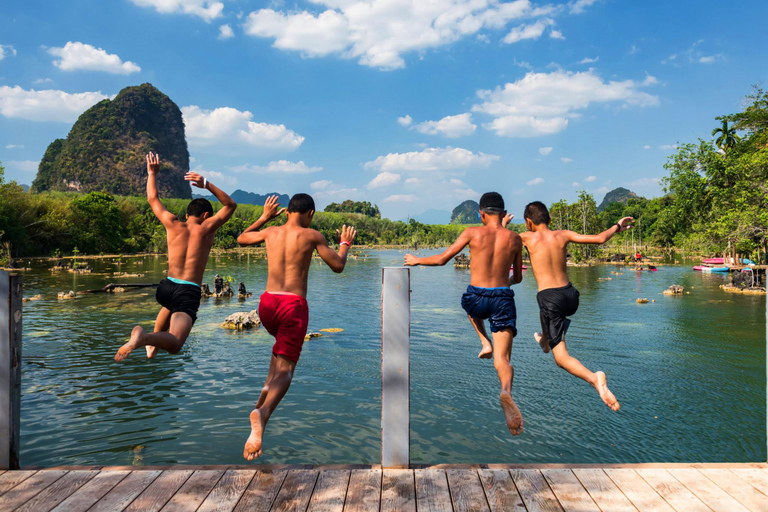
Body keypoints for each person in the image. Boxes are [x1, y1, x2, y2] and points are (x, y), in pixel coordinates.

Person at [237, 193, 356, 460]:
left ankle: (264, 396)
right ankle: (262, 415)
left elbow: (242, 238)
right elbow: (338, 266)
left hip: (267, 304)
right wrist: (345, 243)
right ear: (310, 214)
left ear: (287, 211)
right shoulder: (312, 235)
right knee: (288, 370)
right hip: (292, 306)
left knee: (279, 353)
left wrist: (264, 217)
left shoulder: (270, 231)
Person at [404, 192, 525, 436]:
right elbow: (519, 278)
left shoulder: (472, 232)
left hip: (477, 298)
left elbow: (442, 260)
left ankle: (483, 341)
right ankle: (505, 392)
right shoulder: (515, 238)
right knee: (503, 360)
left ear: (481, 214)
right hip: (502, 298)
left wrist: (417, 260)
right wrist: (504, 284)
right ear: (503, 214)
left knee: (468, 305)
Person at [115, 153, 237, 361]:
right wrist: (206, 184)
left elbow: (152, 198)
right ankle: (143, 338)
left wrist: (151, 173)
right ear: (206, 215)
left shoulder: (172, 223)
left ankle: (151, 347)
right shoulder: (206, 228)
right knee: (176, 343)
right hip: (186, 291)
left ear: (188, 213)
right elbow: (231, 205)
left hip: (166, 288)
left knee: (168, 306)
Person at [518, 201, 633, 411]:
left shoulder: (525, 237)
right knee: (545, 310)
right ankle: (544, 340)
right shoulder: (563, 234)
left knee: (560, 359)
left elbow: (498, 240)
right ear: (549, 219)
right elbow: (599, 239)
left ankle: (594, 378)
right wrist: (617, 225)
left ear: (528, 222)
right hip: (571, 296)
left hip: (550, 299)